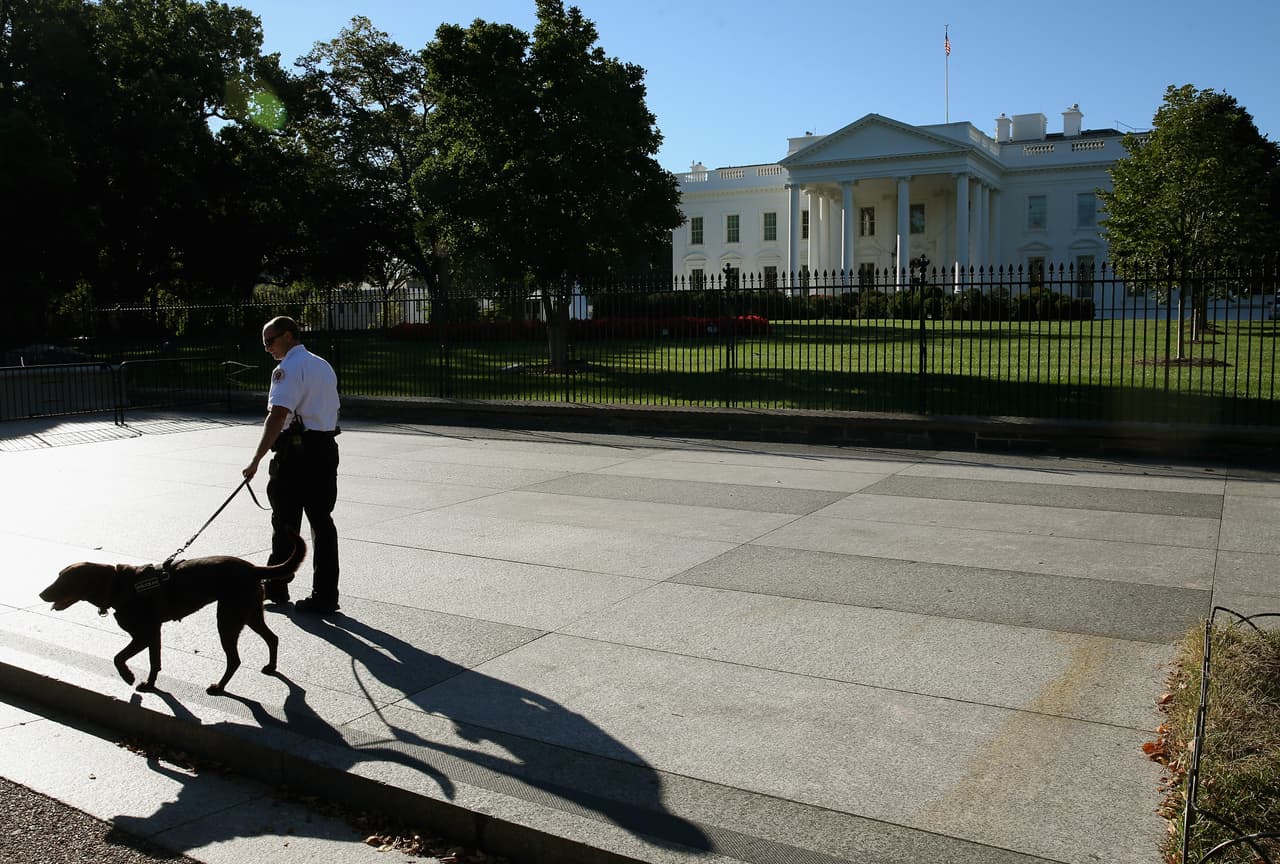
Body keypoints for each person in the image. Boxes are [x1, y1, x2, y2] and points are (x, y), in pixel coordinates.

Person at [242, 316, 342, 614]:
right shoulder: (321, 364)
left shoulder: (286, 369)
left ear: (288, 336)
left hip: (296, 455)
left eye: (269, 341)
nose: (267, 348)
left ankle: (276, 586)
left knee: (285, 522)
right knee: (322, 523)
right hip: (325, 449)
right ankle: (325, 595)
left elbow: (278, 415)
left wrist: (256, 459)